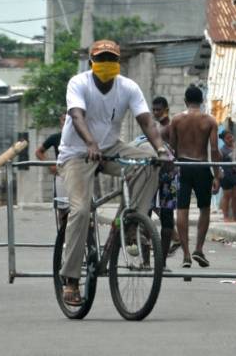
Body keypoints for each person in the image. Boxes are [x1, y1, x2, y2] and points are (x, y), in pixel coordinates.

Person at [57, 40, 170, 306]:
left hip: (111, 148)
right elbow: (77, 116)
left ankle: (130, 223)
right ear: (91, 62)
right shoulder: (79, 83)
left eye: (111, 59)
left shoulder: (128, 87)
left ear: (118, 63)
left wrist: (163, 150)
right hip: (77, 152)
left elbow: (146, 121)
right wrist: (90, 143)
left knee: (149, 163)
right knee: (82, 210)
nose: (106, 64)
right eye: (101, 58)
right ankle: (71, 279)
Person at [169, 85, 221, 269]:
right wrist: (217, 174)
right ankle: (199, 248)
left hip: (182, 166)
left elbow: (172, 149)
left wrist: (171, 170)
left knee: (181, 209)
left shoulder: (176, 120)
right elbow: (214, 150)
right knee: (204, 208)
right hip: (201, 166)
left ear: (185, 100)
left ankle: (186, 254)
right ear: (202, 101)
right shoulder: (209, 120)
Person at [150, 96, 180, 261]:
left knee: (167, 216)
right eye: (153, 110)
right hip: (154, 174)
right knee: (147, 213)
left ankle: (161, 261)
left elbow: (176, 150)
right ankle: (147, 260)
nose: (155, 113)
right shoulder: (154, 127)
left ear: (166, 109)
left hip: (168, 176)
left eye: (158, 109)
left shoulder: (170, 127)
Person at [35, 114, 67, 225]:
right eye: (64, 119)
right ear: (60, 121)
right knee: (62, 209)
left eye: (69, 119)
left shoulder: (80, 137)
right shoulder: (56, 138)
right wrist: (50, 166)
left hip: (77, 175)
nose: (66, 122)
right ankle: (62, 238)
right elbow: (39, 152)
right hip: (61, 176)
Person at [219, 128, 236, 222]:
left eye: (231, 137)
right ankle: (226, 216)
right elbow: (219, 164)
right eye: (227, 138)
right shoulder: (222, 150)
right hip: (226, 175)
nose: (230, 139)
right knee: (227, 195)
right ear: (224, 140)